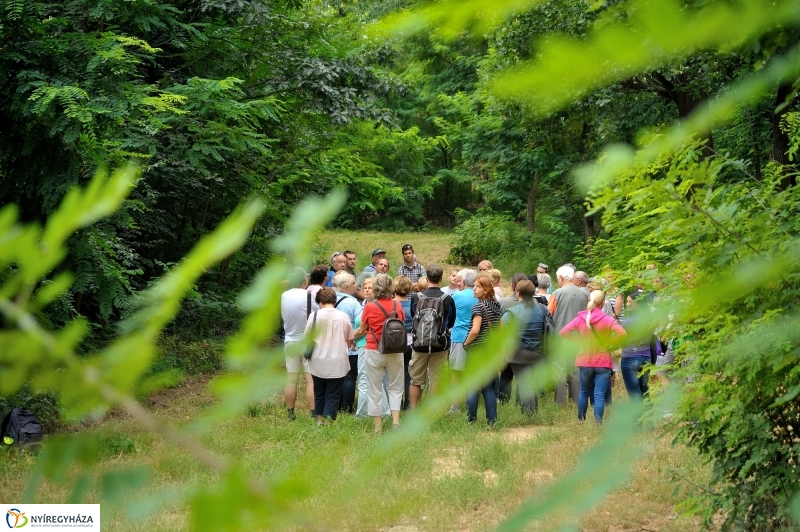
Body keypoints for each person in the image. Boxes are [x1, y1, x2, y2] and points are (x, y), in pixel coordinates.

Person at [560, 290, 626, 423]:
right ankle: (598, 423)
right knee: (599, 395)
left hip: (584, 360)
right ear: (602, 303)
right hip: (603, 362)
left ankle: (581, 420)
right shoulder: (607, 319)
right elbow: (622, 333)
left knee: (584, 392)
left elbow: (563, 332)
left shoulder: (580, 318)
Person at [353, 274, 405, 433]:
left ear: (376, 288)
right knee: (395, 387)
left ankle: (378, 427)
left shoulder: (370, 307)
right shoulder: (397, 305)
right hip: (395, 349)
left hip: (374, 349)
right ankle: (396, 423)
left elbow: (363, 329)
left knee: (374, 388)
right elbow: (401, 323)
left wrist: (352, 336)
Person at [408, 265, 456, 409]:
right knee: (436, 380)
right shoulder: (447, 299)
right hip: (440, 345)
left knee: (416, 380)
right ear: (441, 279)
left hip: (419, 344)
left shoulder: (416, 297)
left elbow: (413, 317)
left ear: (426, 278)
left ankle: (414, 411)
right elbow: (450, 322)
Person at [501, 280, 552, 416]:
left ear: (517, 293)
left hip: (519, 354)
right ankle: (533, 411)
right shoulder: (542, 309)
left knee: (525, 384)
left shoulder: (512, 312)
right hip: (538, 352)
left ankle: (529, 415)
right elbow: (551, 326)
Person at [305, 288, 354, 425]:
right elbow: (349, 339)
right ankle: (329, 423)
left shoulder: (314, 316)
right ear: (334, 300)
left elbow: (307, 337)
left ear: (319, 301)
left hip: (317, 360)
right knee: (333, 395)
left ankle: (320, 421)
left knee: (319, 392)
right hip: (338, 360)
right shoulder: (343, 316)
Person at [463, 275, 503, 426]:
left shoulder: (478, 307)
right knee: (488, 388)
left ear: (486, 290)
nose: (474, 289)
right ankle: (492, 421)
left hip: (477, 351)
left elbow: (475, 330)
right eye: (474, 286)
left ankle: (471, 421)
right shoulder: (496, 306)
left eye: (478, 286)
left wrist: (465, 343)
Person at [548, 264, 589, 405]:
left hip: (560, 338)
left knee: (559, 371)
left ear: (561, 278)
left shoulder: (557, 294)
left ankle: (560, 402)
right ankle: (576, 401)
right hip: (578, 338)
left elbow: (549, 314)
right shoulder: (585, 294)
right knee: (575, 370)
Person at [280, 268, 315, 420]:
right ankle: (313, 413)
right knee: (310, 380)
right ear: (304, 280)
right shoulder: (309, 295)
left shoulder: (284, 295)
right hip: (307, 342)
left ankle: (290, 413)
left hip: (290, 341)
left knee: (291, 380)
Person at [354, 278, 390, 418]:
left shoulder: (373, 306)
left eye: (370, 288)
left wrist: (349, 337)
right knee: (373, 380)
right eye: (365, 288)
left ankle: (363, 414)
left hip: (369, 345)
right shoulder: (365, 305)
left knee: (365, 379)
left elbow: (363, 329)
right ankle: (383, 411)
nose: (367, 290)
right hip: (363, 345)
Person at [448, 268, 478, 414]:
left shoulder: (456, 296)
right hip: (477, 338)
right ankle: (472, 403)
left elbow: (449, 316)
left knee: (456, 373)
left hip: (459, 337)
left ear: (464, 282)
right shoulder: (481, 295)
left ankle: (455, 406)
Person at [332, 272, 362, 413]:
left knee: (336, 377)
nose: (357, 285)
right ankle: (347, 407)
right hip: (351, 346)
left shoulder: (330, 300)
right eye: (354, 283)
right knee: (350, 377)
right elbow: (361, 325)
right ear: (347, 287)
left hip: (333, 346)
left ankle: (335, 405)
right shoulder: (353, 303)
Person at [619, 290, 657, 400]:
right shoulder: (649, 320)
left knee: (634, 392)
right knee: (644, 389)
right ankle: (648, 410)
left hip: (630, 357)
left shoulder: (627, 322)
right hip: (646, 357)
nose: (627, 304)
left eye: (630, 302)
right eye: (626, 301)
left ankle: (637, 411)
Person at [394, 275, 414, 410]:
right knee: (408, 375)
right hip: (410, 341)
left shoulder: (391, 304)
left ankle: (394, 403)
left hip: (394, 341)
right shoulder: (413, 304)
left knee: (394, 376)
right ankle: (408, 404)